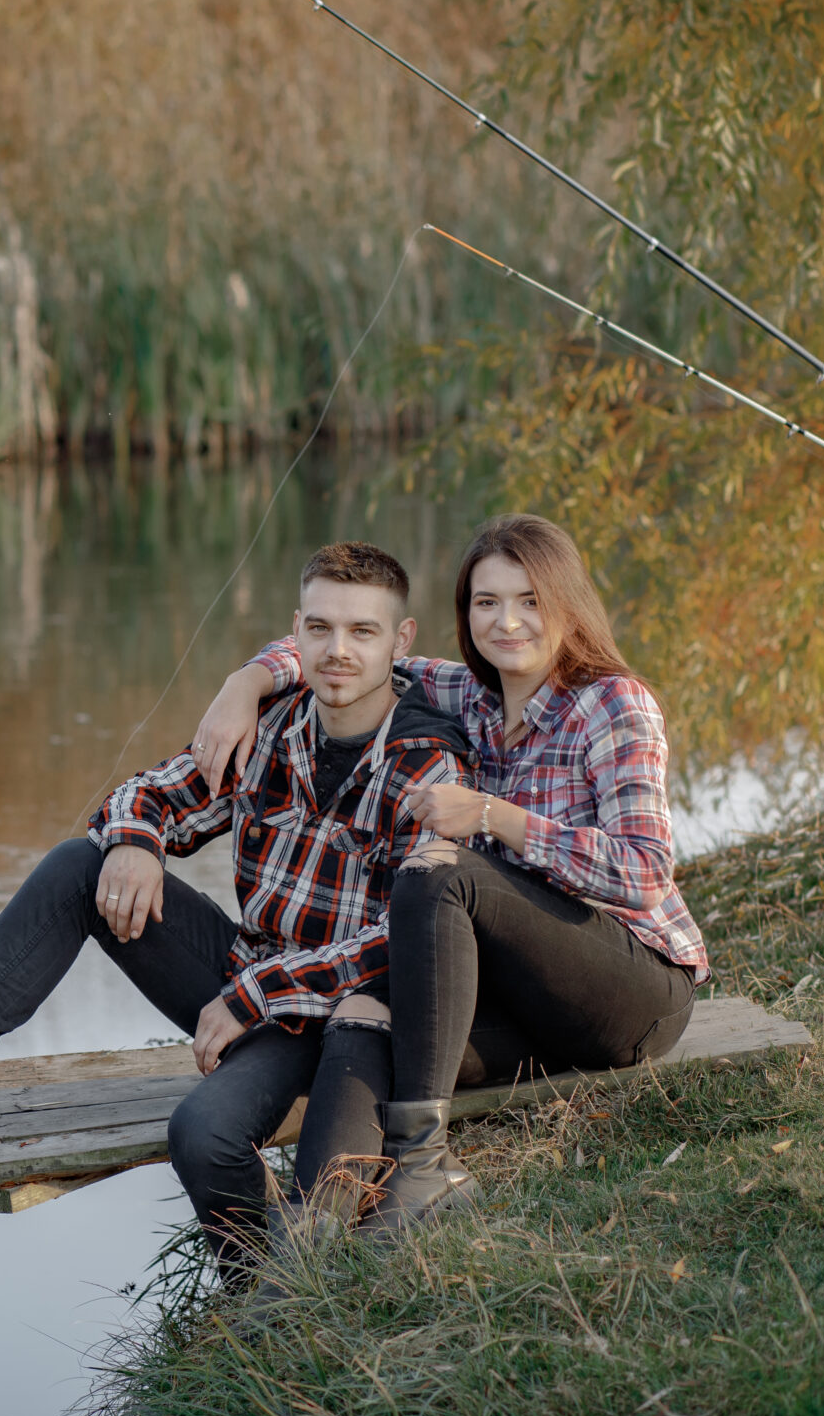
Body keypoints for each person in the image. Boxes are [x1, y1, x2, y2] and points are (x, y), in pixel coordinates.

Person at [0, 542, 472, 1274]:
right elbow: (146, 794)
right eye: (322, 628)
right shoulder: (271, 722)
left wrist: (253, 995)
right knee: (84, 862)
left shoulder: (428, 760)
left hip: (339, 1023)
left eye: (363, 632)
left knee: (203, 1132)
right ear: (294, 632)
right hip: (246, 980)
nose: (339, 650)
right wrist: (139, 841)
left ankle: (263, 1291)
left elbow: (405, 937)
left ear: (401, 640)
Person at [193, 513, 709, 1229]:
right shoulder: (465, 691)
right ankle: (308, 1247)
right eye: (486, 601)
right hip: (521, 995)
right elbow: (344, 648)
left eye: (530, 599)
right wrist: (244, 681)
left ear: (567, 601)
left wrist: (493, 815)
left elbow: (646, 872)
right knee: (362, 1014)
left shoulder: (612, 704)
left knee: (441, 871)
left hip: (630, 987)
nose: (508, 621)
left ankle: (424, 1164)